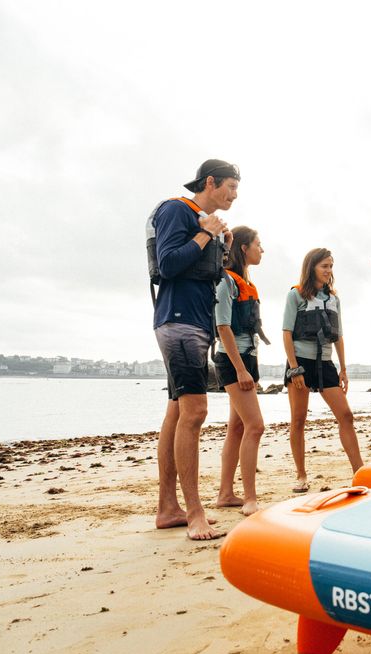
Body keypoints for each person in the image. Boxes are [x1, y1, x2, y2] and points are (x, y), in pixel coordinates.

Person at [150, 158, 238, 540]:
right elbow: (168, 264)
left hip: (197, 324)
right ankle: (195, 513)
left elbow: (206, 275)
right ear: (210, 182)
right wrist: (205, 235)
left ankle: (168, 508)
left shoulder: (207, 224)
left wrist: (223, 247)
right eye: (231, 187)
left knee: (177, 413)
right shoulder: (176, 209)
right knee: (195, 412)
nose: (235, 195)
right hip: (178, 321)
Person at [283, 248, 363, 491]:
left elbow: (338, 336)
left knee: (346, 416)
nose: (329, 271)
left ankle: (359, 471)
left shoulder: (334, 299)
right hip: (300, 363)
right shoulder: (296, 294)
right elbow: (286, 333)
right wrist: (294, 369)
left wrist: (343, 368)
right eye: (324, 266)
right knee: (298, 419)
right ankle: (301, 475)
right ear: (312, 268)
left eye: (331, 266)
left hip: (326, 363)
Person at [214, 226, 268, 516]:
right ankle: (250, 498)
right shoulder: (226, 282)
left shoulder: (246, 282)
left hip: (248, 360)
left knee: (237, 427)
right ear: (244, 248)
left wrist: (249, 368)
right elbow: (223, 327)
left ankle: (225, 494)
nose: (262, 249)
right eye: (258, 244)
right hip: (233, 361)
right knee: (255, 426)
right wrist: (240, 370)